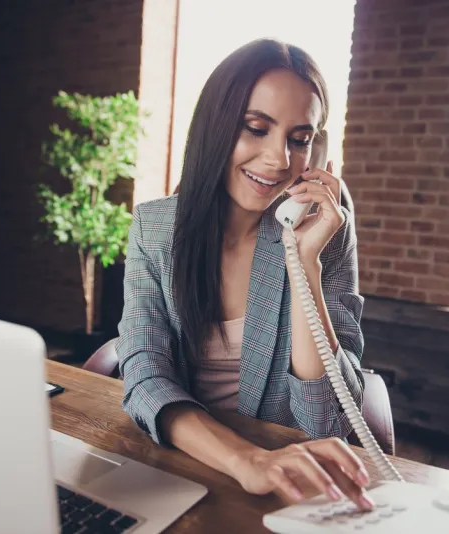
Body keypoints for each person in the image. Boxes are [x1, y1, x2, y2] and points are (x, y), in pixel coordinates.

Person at [115, 38, 373, 510]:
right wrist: (245, 459)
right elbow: (145, 376)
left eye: (299, 140)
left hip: (293, 484)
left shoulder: (325, 227)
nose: (279, 159)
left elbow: (328, 424)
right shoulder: (153, 230)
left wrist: (305, 265)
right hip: (185, 463)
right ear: (215, 128)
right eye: (256, 129)